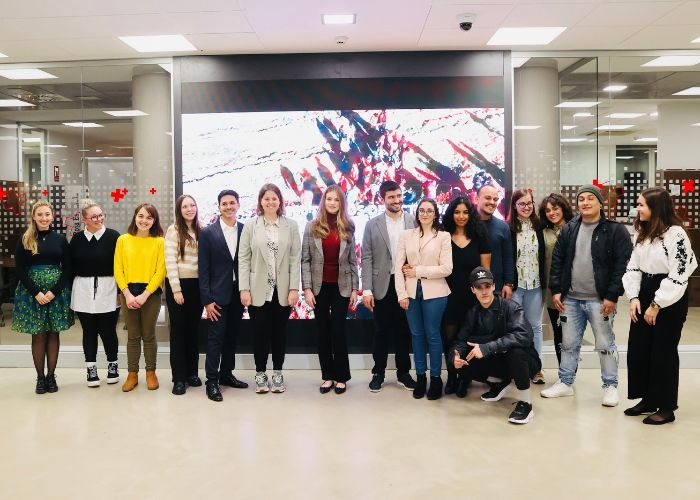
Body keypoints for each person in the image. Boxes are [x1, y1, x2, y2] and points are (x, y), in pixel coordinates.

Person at [541, 185, 633, 406]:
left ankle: (610, 386)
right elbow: (558, 262)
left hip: (600, 300)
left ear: (600, 203)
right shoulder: (570, 228)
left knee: (605, 345)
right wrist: (557, 290)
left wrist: (612, 296)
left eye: (590, 198)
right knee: (569, 344)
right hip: (570, 299)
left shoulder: (614, 230)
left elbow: (621, 266)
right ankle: (565, 383)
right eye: (581, 199)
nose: (585, 202)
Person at [622, 187, 697, 425]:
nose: (638, 208)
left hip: (669, 298)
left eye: (642, 204)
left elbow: (680, 273)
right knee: (640, 349)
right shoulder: (642, 232)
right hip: (644, 292)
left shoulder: (676, 235)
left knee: (662, 353)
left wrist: (656, 304)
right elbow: (633, 266)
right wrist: (634, 297)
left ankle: (665, 407)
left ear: (656, 208)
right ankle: (648, 399)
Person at [451, 267, 541, 425]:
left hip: (527, 361)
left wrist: (487, 347)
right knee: (461, 360)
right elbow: (461, 340)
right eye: (479, 287)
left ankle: (526, 404)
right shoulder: (473, 313)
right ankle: (499, 383)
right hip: (500, 361)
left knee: (516, 352)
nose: (484, 291)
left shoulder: (511, 307)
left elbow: (524, 335)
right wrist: (455, 355)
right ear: (473, 290)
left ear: (494, 286)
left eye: (487, 286)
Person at [239, 183, 301, 394]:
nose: (270, 202)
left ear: (280, 202)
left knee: (279, 335)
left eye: (274, 198)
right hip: (257, 290)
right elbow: (244, 259)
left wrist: (294, 288)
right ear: (260, 202)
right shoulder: (250, 225)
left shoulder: (291, 226)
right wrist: (244, 289)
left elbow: (295, 259)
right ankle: (260, 373)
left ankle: (277, 373)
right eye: (266, 198)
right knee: (260, 334)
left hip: (282, 291)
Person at [301, 185, 359, 394]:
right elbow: (305, 260)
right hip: (319, 287)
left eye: (336, 200)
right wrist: (307, 288)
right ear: (323, 202)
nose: (332, 203)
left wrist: (355, 289)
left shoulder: (349, 226)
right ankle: (327, 376)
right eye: (329, 199)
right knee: (322, 332)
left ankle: (341, 377)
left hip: (341, 287)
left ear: (341, 203)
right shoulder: (312, 226)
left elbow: (352, 261)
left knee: (338, 331)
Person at [361, 180, 417, 392]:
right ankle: (379, 373)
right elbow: (366, 257)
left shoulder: (413, 221)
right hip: (381, 285)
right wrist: (366, 289)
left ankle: (403, 373)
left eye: (399, 195)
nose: (396, 200)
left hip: (406, 284)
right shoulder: (372, 224)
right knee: (381, 331)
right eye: (391, 197)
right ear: (382, 199)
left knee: (405, 331)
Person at [13, 200, 74, 393]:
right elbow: (20, 270)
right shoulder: (25, 238)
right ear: (33, 216)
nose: (44, 218)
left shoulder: (60, 239)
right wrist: (36, 293)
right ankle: (40, 378)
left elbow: (68, 268)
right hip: (32, 294)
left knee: (53, 333)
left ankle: (51, 376)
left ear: (52, 216)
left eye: (47, 214)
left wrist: (53, 291)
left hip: (55, 293)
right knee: (38, 335)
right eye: (40, 214)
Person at [395, 198, 452, 400]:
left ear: (435, 214)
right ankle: (421, 378)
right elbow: (398, 267)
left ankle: (435, 378)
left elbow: (446, 269)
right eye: (421, 210)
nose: (425, 213)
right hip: (411, 294)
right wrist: (401, 294)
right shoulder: (406, 235)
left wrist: (418, 270)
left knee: (433, 335)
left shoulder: (443, 237)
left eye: (429, 210)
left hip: (436, 293)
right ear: (417, 213)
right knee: (416, 336)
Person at [199, 189, 249, 402]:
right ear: (219, 207)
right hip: (217, 296)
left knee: (232, 337)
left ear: (238, 205)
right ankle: (211, 381)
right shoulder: (208, 233)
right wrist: (207, 300)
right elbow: (204, 269)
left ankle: (226, 374)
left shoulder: (245, 230)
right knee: (215, 339)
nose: (228, 207)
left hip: (238, 294)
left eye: (232, 203)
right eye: (224, 204)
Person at [442, 195, 491, 397]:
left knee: (469, 338)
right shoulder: (443, 235)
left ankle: (465, 378)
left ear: (470, 214)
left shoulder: (480, 236)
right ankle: (452, 376)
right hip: (447, 296)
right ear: (451, 214)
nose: (461, 216)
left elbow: (485, 271)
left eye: (465, 212)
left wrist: (484, 296)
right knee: (449, 339)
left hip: (472, 298)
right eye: (456, 212)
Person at [114, 203, 166, 392]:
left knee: (149, 335)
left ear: (154, 221)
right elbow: (117, 268)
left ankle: (151, 372)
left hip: (150, 294)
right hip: (128, 293)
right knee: (133, 336)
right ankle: (132, 374)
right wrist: (126, 294)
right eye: (141, 216)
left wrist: (145, 295)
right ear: (135, 217)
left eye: (149, 218)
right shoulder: (123, 240)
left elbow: (161, 270)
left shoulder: (159, 241)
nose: (144, 221)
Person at [69, 199, 120, 388]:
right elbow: (71, 267)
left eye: (101, 215)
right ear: (85, 220)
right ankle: (91, 368)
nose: (99, 219)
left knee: (108, 331)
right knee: (89, 332)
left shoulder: (114, 237)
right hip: (83, 289)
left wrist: (122, 291)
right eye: (94, 216)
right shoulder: (77, 239)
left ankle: (112, 365)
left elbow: (121, 266)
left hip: (109, 288)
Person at [165, 195, 204, 396]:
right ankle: (179, 378)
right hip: (179, 286)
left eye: (192, 205)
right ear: (179, 210)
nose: (189, 209)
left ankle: (192, 373)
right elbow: (170, 261)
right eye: (185, 206)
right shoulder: (173, 231)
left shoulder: (201, 229)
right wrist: (176, 290)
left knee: (193, 331)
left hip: (197, 286)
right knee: (178, 333)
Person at [507, 188, 546, 384]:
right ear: (514, 206)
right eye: (521, 204)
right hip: (516, 286)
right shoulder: (509, 228)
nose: (526, 207)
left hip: (536, 285)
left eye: (529, 203)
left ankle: (537, 368)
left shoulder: (539, 227)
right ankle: (518, 368)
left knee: (536, 327)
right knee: (515, 329)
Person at [538, 193, 574, 366]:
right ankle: (563, 371)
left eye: (555, 208)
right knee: (558, 331)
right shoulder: (544, 233)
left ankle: (570, 371)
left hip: (575, 289)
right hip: (553, 290)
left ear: (563, 208)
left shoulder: (576, 228)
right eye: (547, 210)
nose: (551, 213)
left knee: (573, 334)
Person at [475, 184, 514, 298]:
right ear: (477, 199)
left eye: (495, 199)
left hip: (496, 288)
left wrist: (508, 283)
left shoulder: (503, 227)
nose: (492, 202)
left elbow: (508, 257)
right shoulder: (466, 225)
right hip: (470, 288)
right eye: (488, 198)